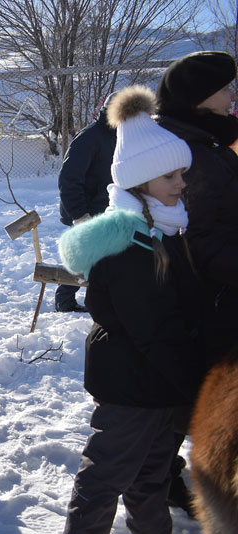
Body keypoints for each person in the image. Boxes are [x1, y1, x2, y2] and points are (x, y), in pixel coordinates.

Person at [59, 86, 207, 533]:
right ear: (140, 184)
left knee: (153, 478)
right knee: (104, 479)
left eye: (181, 173)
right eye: (170, 178)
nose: (181, 183)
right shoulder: (131, 248)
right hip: (134, 388)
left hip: (163, 385)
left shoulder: (166, 229)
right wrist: (192, 383)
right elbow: (153, 329)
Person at [155, 50, 238, 516]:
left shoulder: (204, 142)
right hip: (212, 301)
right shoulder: (191, 154)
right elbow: (203, 245)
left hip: (219, 296)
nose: (232, 96)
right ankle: (168, 480)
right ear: (201, 98)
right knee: (197, 396)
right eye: (226, 88)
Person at [55, 94, 117, 312]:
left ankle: (70, 300)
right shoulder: (90, 137)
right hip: (86, 209)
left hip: (105, 206)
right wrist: (79, 215)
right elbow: (68, 178)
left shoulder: (118, 135)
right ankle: (65, 301)